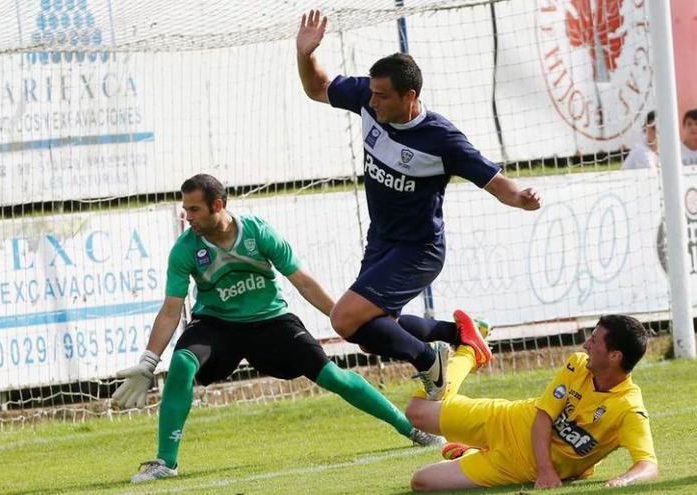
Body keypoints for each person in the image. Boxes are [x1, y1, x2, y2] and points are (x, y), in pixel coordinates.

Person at [112, 174, 443, 484]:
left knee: (333, 376)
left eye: (194, 209)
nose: (188, 216)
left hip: (271, 322)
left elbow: (303, 282)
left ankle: (412, 430)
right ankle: (165, 462)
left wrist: (345, 321)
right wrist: (149, 362)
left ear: (218, 205)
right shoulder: (185, 249)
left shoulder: (257, 232)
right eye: (185, 209)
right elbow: (171, 310)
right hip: (217, 326)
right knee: (182, 362)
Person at [296, 10, 541, 398]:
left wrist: (521, 198)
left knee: (343, 319)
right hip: (382, 242)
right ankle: (456, 333)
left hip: (418, 251)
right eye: (371, 92)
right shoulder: (367, 98)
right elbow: (316, 87)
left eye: (382, 95)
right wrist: (305, 54)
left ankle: (431, 361)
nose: (371, 101)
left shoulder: (440, 139)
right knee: (372, 333)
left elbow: (495, 182)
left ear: (409, 96)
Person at [404, 315, 658, 491]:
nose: (585, 344)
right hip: (504, 420)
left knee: (421, 482)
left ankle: (470, 452)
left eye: (594, 341)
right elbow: (543, 417)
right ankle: (470, 351)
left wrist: (624, 480)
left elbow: (647, 465)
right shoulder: (578, 364)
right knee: (416, 412)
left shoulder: (628, 409)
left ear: (615, 356)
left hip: (513, 469)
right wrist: (546, 471)